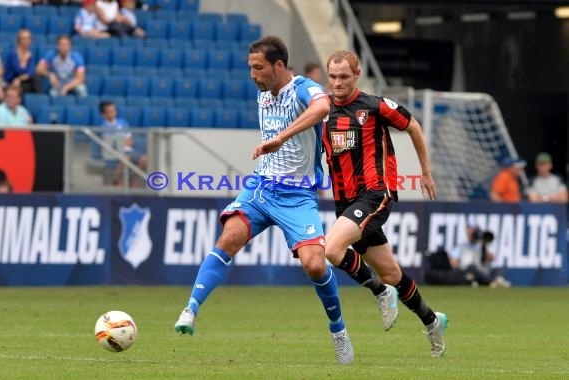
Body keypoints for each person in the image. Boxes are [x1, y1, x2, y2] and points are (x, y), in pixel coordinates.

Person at [174, 36, 354, 365]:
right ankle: (191, 309)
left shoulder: (303, 88)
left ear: (279, 65)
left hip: (298, 194)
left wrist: (281, 138)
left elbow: (323, 106)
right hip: (261, 187)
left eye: (258, 68)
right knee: (228, 236)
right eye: (250, 68)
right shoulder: (263, 92)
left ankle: (338, 329)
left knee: (315, 265)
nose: (253, 75)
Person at [322, 49, 448, 358]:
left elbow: (413, 126)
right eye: (333, 77)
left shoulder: (375, 106)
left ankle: (379, 292)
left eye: (344, 77)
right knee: (392, 273)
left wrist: (425, 172)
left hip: (375, 193)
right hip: (345, 201)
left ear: (357, 75)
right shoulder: (322, 111)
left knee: (332, 250)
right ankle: (433, 322)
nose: (337, 83)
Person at [99, 101, 147, 186]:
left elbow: (129, 140)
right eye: (110, 111)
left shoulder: (122, 122)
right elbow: (109, 143)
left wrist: (121, 142)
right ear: (104, 114)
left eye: (114, 110)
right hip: (114, 152)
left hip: (128, 150)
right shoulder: (104, 126)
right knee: (125, 158)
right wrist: (120, 143)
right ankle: (118, 181)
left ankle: (130, 178)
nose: (113, 112)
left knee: (144, 159)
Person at [449, 222, 511, 288]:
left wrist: (484, 245)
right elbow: (453, 263)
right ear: (467, 232)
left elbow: (492, 258)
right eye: (470, 232)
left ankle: (497, 280)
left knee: (499, 269)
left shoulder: (482, 246)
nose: (472, 233)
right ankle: (492, 282)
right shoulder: (460, 246)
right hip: (469, 273)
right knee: (472, 267)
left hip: (482, 272)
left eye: (474, 231)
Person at [3, 29, 43, 94]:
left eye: (28, 39)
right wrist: (25, 60)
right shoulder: (13, 53)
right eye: (23, 39)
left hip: (21, 80)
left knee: (36, 79)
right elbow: (19, 70)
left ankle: (40, 99)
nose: (26, 41)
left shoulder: (30, 54)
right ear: (19, 40)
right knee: (26, 86)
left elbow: (30, 72)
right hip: (11, 81)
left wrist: (19, 79)